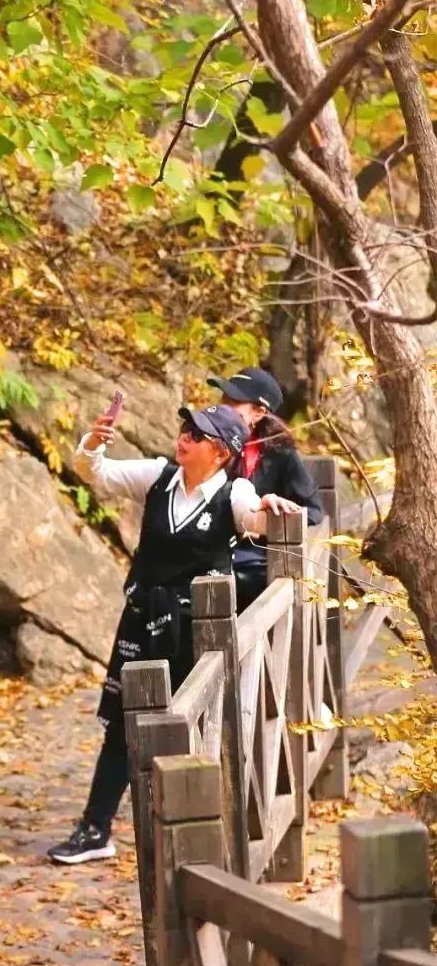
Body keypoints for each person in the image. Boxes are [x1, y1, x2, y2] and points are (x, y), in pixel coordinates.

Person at [47, 400, 288, 867]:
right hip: (141, 618)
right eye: (184, 428)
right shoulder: (159, 477)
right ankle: (95, 828)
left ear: (220, 452)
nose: (183, 438)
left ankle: (198, 830)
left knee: (195, 721)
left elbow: (255, 518)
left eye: (196, 435)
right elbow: (97, 473)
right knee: (121, 723)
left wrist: (269, 509)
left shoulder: (233, 493)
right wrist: (93, 443)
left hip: (196, 630)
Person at [207, 366, 322, 612]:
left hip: (253, 561)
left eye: (234, 401)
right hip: (209, 552)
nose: (223, 406)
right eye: (223, 398)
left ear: (259, 412)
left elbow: (314, 512)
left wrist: (267, 520)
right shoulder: (205, 440)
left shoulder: (280, 454)